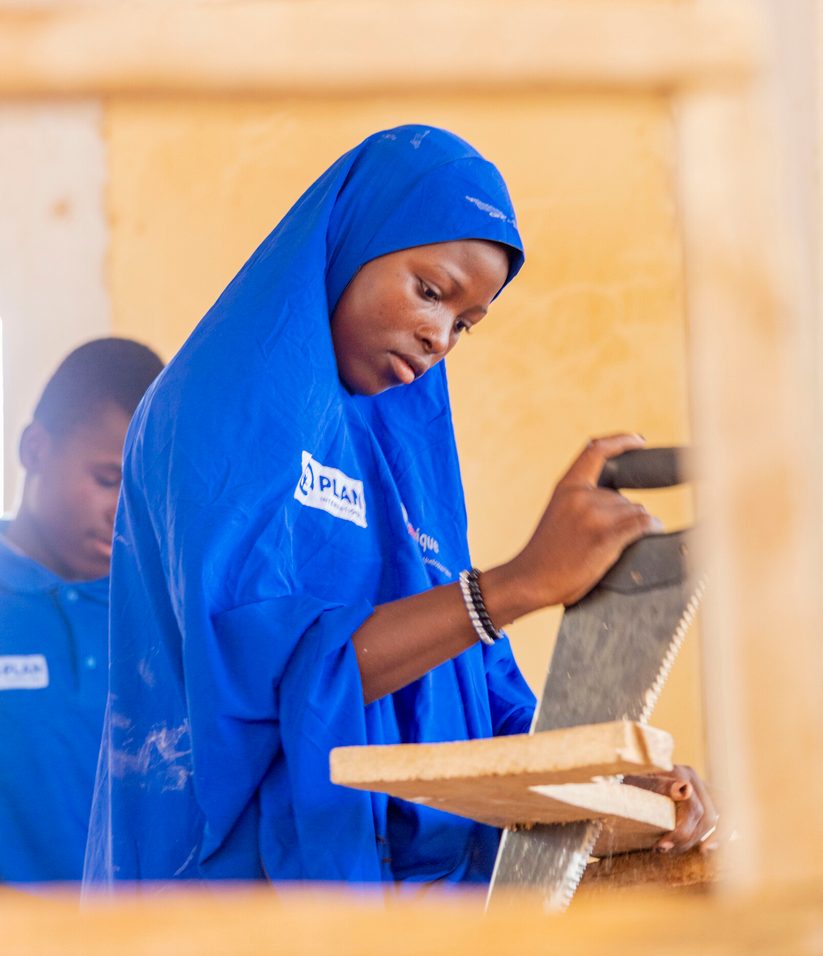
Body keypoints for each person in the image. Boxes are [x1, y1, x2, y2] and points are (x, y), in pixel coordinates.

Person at [85, 125, 715, 886]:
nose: (437, 336)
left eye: (465, 323)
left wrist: (610, 790)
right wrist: (516, 586)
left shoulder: (406, 444)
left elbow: (471, 688)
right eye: (429, 290)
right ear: (351, 239)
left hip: (398, 914)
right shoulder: (220, 409)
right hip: (235, 910)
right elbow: (256, 682)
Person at [0, 337, 164, 882]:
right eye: (108, 480)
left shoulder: (160, 618)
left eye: (141, 492)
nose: (123, 512)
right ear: (34, 449)